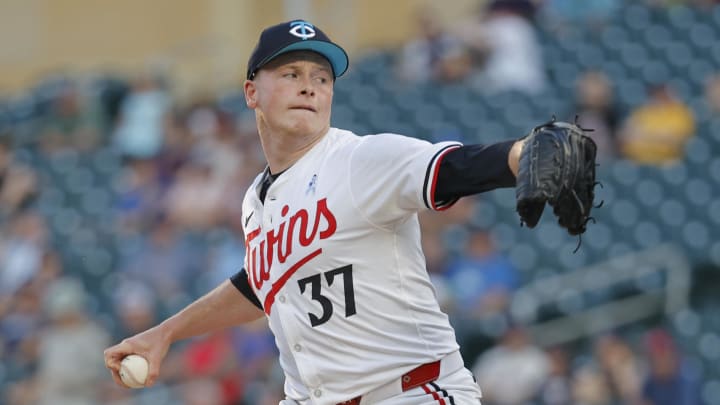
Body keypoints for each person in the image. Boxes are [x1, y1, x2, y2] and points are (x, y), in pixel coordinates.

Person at [104, 19, 531, 405]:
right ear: (251, 92)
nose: (309, 86)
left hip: (409, 393)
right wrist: (165, 333)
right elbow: (261, 283)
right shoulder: (255, 200)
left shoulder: (359, 160)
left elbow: (455, 167)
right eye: (291, 75)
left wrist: (523, 155)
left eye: (321, 78)